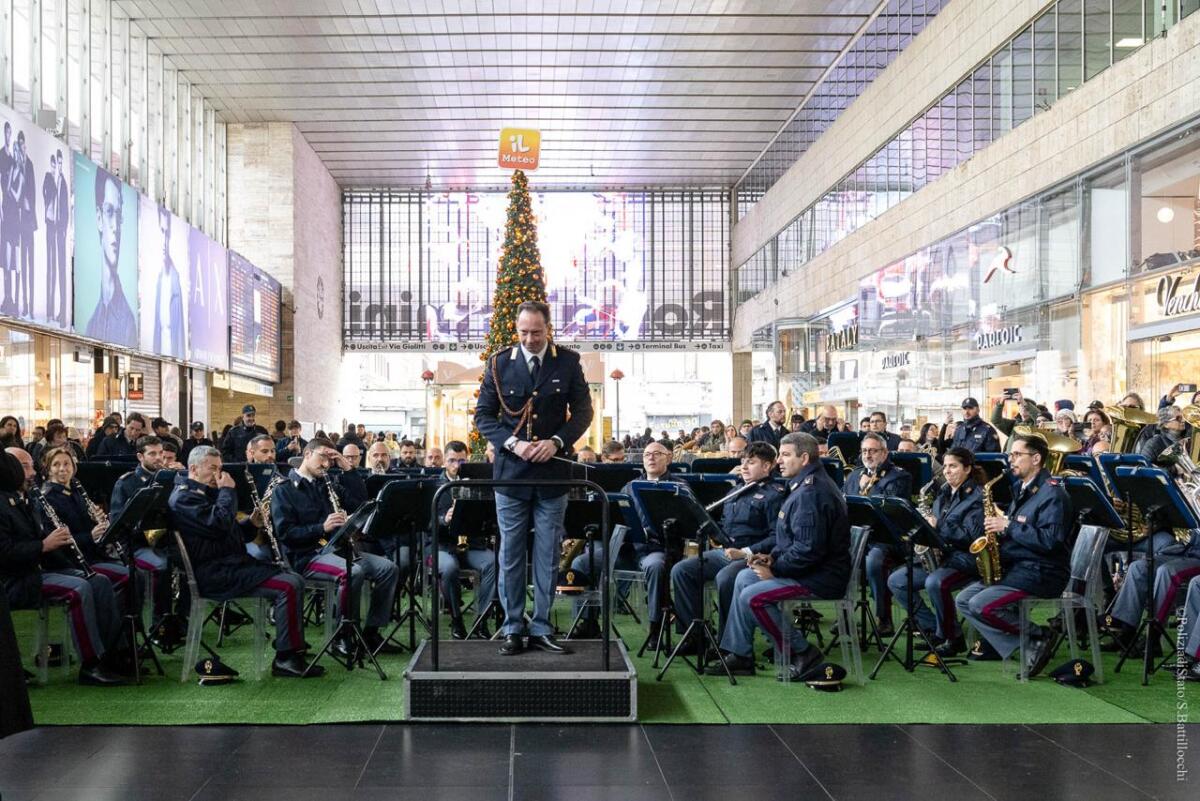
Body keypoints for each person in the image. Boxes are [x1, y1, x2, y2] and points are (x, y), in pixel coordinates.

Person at [474, 300, 594, 656]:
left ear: (548, 329)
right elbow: (483, 416)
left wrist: (556, 441)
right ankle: (512, 626)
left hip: (553, 475)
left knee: (547, 555)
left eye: (536, 333)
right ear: (516, 329)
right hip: (511, 476)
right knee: (510, 554)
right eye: (523, 332)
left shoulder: (567, 361)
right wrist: (514, 444)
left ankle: (541, 626)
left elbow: (584, 412)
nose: (529, 339)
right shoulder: (498, 363)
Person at [168, 446, 320, 678]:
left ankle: (291, 647)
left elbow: (225, 534)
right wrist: (227, 491)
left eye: (220, 468)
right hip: (214, 574)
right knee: (289, 585)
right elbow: (219, 524)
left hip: (230, 566)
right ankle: (286, 657)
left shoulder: (202, 493)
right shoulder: (183, 498)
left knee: (293, 579)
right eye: (212, 468)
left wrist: (250, 523)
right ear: (193, 469)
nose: (219, 475)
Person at [708, 432, 850, 678]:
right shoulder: (803, 485)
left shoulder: (811, 493)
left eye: (785, 455)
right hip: (809, 570)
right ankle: (740, 655)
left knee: (753, 596)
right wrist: (771, 558)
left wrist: (774, 569)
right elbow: (792, 540)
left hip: (819, 579)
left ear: (804, 458)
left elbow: (808, 551)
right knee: (743, 578)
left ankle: (803, 652)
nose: (779, 461)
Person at [0, 448, 125, 684]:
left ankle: (115, 654)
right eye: (25, 467)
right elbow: (6, 553)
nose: (32, 473)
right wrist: (44, 545)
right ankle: (91, 664)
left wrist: (71, 558)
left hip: (42, 569)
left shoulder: (26, 497)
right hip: (18, 579)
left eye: (31, 466)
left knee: (98, 581)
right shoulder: (5, 502)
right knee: (79, 588)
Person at [955, 433, 1071, 677]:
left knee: (981, 605)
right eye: (1010, 455)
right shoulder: (1022, 488)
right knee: (963, 600)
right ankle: (1028, 642)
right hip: (1018, 566)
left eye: (1017, 455)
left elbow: (1050, 542)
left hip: (1043, 571)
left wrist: (1008, 526)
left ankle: (1038, 635)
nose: (1011, 460)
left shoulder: (1053, 494)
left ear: (1036, 459)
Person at [271, 438, 400, 656]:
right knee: (352, 572)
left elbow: (359, 501)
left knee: (389, 568)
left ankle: (371, 634)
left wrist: (347, 468)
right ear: (307, 454)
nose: (326, 464)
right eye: (323, 457)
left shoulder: (326, 483)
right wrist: (321, 527)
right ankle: (342, 635)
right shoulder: (284, 489)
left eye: (330, 460)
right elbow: (285, 534)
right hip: (306, 556)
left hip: (337, 550)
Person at [670, 442, 786, 649]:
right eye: (743, 461)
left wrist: (745, 552)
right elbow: (724, 526)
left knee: (726, 578)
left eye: (751, 462)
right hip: (726, 553)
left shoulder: (774, 494)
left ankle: (727, 645)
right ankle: (695, 637)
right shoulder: (735, 490)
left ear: (767, 466)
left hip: (754, 557)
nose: (744, 466)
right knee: (682, 570)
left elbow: (777, 537)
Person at [569, 440, 683, 646]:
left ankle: (656, 628)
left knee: (655, 566)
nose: (651, 457)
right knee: (581, 563)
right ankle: (588, 622)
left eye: (657, 454)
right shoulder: (629, 487)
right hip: (627, 550)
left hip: (656, 550)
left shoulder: (679, 487)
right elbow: (618, 519)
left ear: (668, 458)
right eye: (647, 454)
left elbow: (685, 524)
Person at [886, 447, 983, 657]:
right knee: (897, 581)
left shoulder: (977, 497)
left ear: (967, 469)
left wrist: (938, 526)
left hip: (965, 560)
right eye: (945, 466)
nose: (946, 471)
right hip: (942, 557)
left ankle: (953, 638)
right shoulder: (944, 492)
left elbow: (972, 535)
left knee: (935, 582)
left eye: (953, 466)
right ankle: (933, 628)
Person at [844, 431, 911, 637]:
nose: (867, 455)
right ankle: (844, 616)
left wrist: (867, 486)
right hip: (857, 536)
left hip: (886, 538)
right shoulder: (854, 475)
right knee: (836, 556)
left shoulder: (899, 476)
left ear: (884, 453)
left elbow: (888, 509)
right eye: (864, 451)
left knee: (874, 561)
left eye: (873, 451)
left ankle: (884, 618)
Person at [432, 441, 498, 639]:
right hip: (443, 546)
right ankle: (456, 619)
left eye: (461, 461)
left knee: (493, 563)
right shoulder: (434, 486)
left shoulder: (475, 483)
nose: (456, 465)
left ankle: (481, 620)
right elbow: (426, 522)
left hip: (471, 544)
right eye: (452, 460)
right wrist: (444, 519)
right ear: (444, 461)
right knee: (449, 568)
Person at [151, 205, 185, 357]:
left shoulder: (175, 280)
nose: (164, 240)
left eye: (167, 233)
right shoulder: (159, 280)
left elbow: (180, 334)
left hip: (173, 358)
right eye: (161, 232)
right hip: (159, 358)